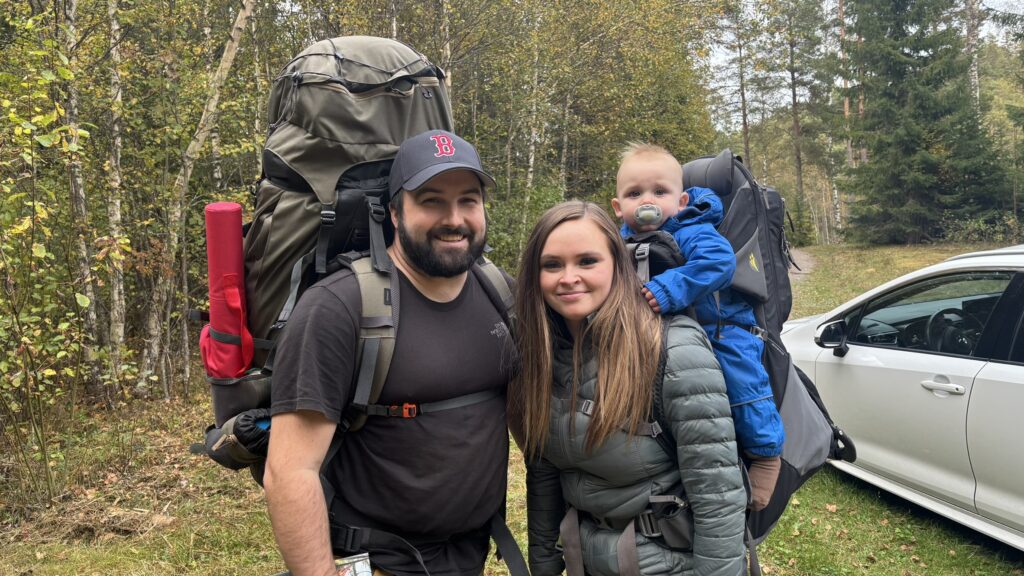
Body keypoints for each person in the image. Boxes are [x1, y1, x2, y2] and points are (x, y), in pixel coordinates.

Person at [263, 130, 516, 576]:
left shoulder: (500, 293)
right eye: (432, 200)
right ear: (395, 213)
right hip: (380, 562)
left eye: (469, 200)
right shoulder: (339, 308)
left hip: (470, 555)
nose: (454, 219)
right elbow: (290, 471)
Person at [512, 201, 747, 576]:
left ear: (618, 267)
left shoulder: (673, 350)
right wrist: (543, 566)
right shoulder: (540, 357)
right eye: (552, 264)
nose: (568, 277)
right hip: (584, 559)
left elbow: (717, 497)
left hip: (668, 563)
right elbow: (544, 478)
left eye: (587, 261)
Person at [612, 142, 785, 510]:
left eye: (660, 192)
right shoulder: (620, 240)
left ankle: (767, 454)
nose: (648, 200)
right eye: (634, 193)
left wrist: (668, 287)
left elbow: (719, 264)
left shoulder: (691, 228)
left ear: (681, 199)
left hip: (722, 327)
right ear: (617, 206)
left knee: (742, 385)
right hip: (666, 335)